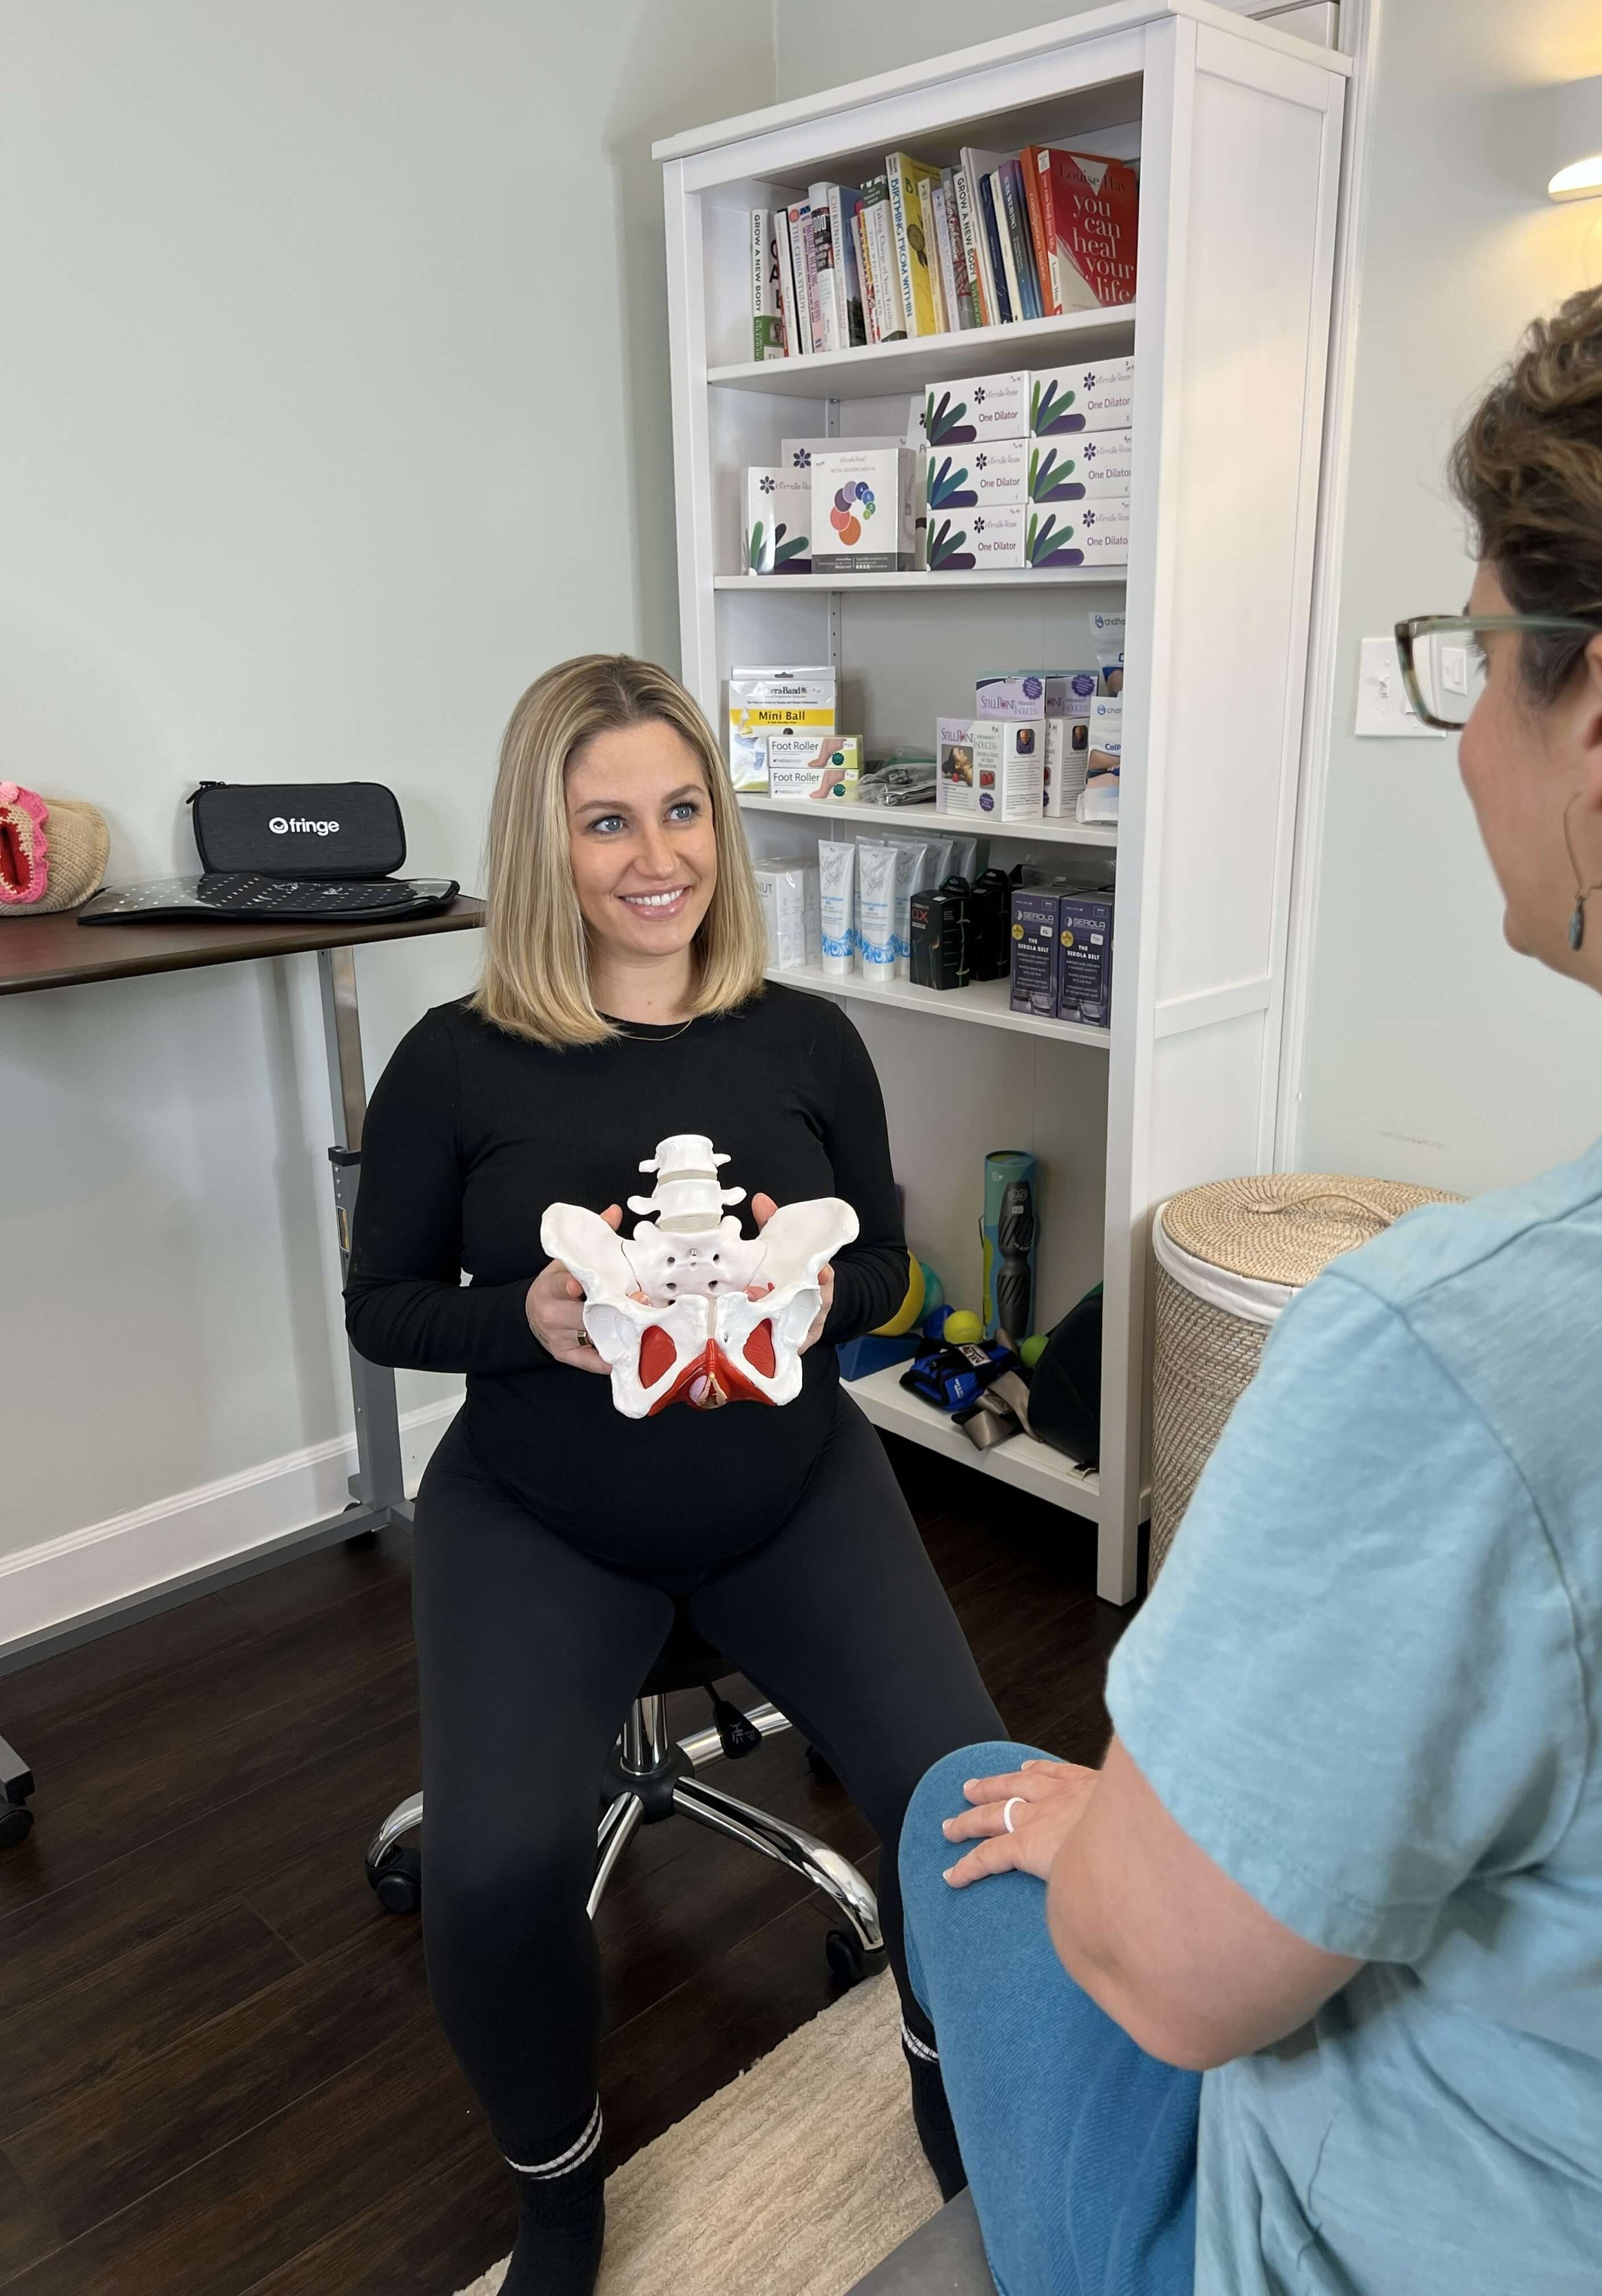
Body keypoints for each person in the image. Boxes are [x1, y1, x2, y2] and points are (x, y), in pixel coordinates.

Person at [900, 223, 1602, 2295]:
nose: (1458, 735)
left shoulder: (1464, 1354)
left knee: (972, 1802)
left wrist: (1105, 1830)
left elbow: (1173, 1976)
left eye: (1467, 658)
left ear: (1599, 709)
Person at [345, 654, 1002, 2295]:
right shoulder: (454, 1061)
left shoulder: (807, 1042)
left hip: (788, 1490)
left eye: (685, 806)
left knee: (969, 1809)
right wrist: (533, 1315)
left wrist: (805, 1279)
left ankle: (950, 2073)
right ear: (541, 844)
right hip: (543, 1517)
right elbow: (383, 1306)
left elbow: (891, 1281)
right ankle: (557, 2182)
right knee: (493, 1870)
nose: (659, 855)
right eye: (607, 819)